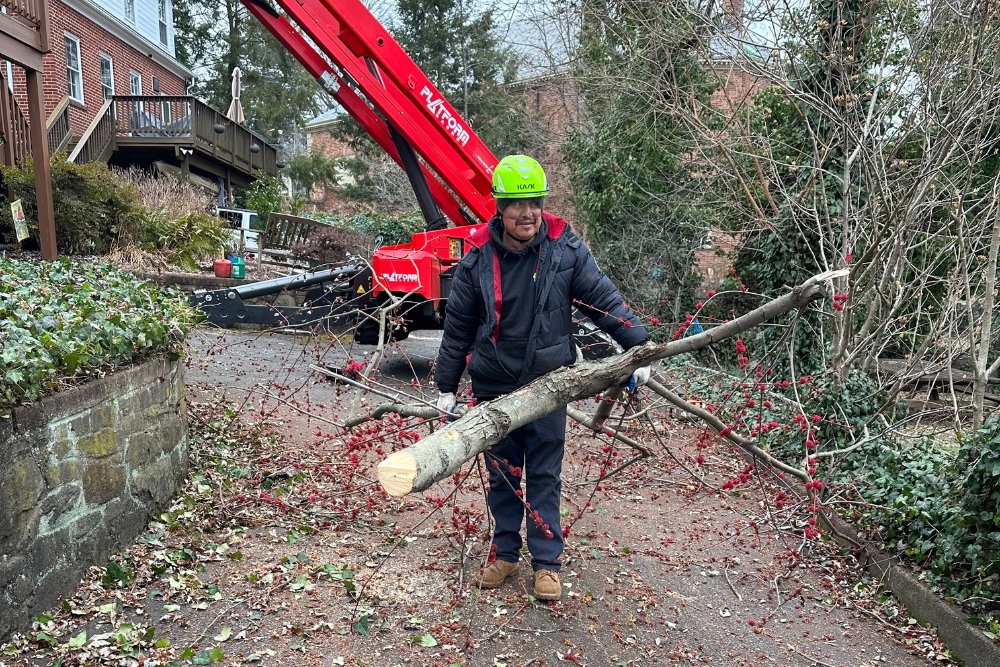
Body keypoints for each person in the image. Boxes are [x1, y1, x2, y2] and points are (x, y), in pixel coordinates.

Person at [434, 155, 651, 601]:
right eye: (516, 204)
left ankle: (547, 562)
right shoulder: (477, 259)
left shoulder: (564, 249)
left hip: (549, 383)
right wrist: (445, 387)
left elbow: (601, 299)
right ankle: (505, 554)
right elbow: (458, 329)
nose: (527, 212)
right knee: (503, 473)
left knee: (545, 474)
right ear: (499, 208)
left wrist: (636, 346)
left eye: (534, 201)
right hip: (494, 385)